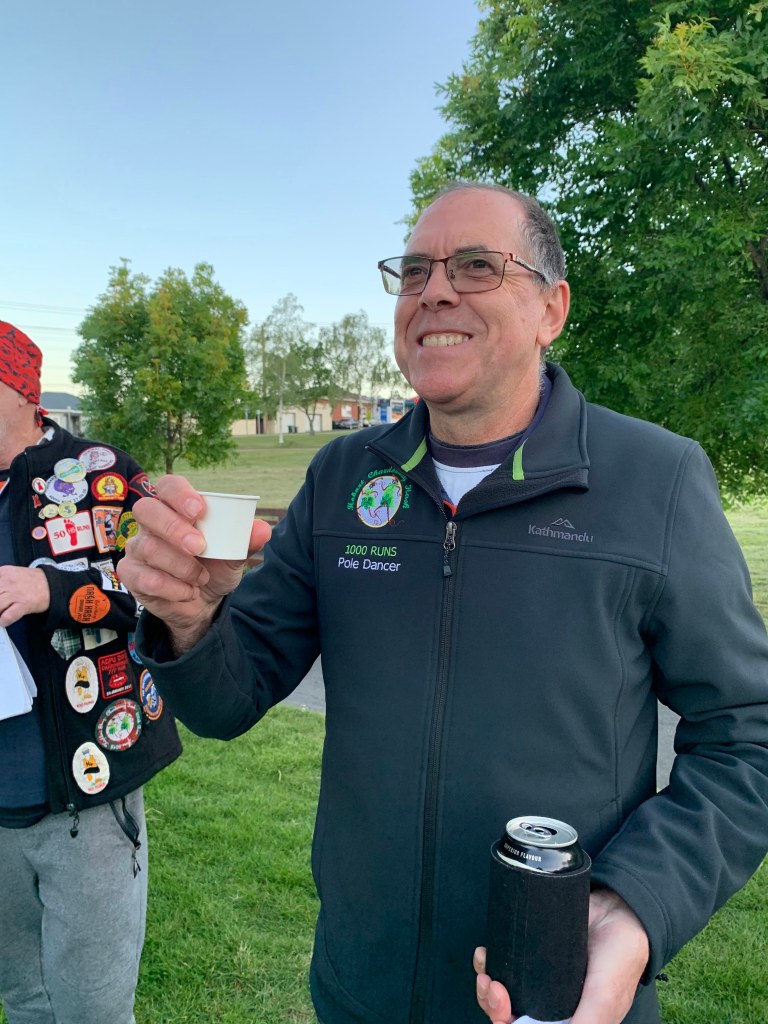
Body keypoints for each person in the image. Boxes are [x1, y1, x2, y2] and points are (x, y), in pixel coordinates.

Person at [120, 183, 768, 1024]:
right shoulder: (343, 477)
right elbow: (228, 700)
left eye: (475, 266)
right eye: (415, 270)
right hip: (360, 984)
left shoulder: (656, 479)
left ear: (551, 309)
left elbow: (747, 736)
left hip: (557, 991)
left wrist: (633, 903)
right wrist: (189, 620)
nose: (433, 292)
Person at [0, 321, 181, 1024]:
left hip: (88, 797)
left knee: (92, 1012)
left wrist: (50, 589)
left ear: (22, 390)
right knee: (25, 1002)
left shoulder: (100, 472)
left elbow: (166, 591)